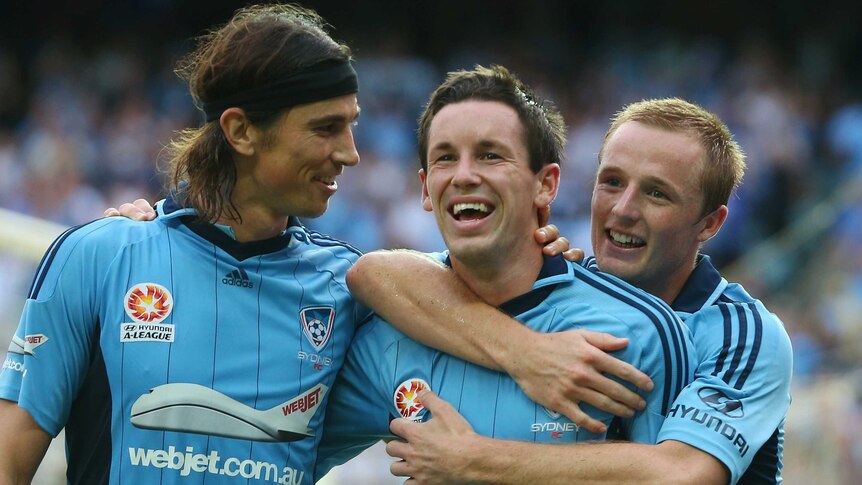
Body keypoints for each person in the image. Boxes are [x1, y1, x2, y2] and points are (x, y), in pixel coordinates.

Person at [0, 5, 368, 484]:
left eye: (352, 124)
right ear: (240, 131)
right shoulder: (100, 257)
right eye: (326, 127)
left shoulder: (350, 290)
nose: (350, 153)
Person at [353, 98, 793, 484]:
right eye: (612, 182)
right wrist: (524, 351)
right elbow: (377, 274)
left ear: (711, 224)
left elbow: (681, 474)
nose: (622, 210)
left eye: (656, 194)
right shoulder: (570, 282)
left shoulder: (745, 334)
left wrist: (473, 460)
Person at [312, 66, 696, 479]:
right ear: (425, 188)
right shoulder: (389, 338)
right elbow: (283, 457)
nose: (463, 175)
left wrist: (476, 464)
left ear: (545, 185)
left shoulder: (639, 331)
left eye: (490, 155)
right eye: (445, 158)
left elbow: (673, 472)